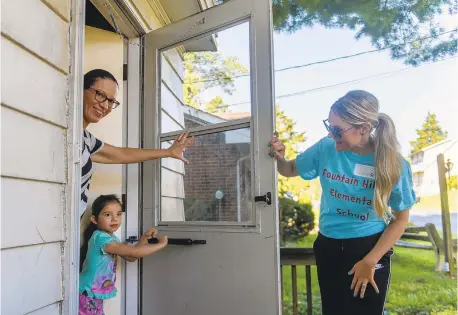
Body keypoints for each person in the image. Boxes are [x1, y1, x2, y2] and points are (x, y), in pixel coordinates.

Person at [269, 90, 415, 315]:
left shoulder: (393, 164)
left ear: (363, 128)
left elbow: (400, 220)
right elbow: (289, 169)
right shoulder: (325, 148)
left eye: (337, 130)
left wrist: (370, 261)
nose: (330, 135)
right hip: (329, 245)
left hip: (368, 247)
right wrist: (278, 156)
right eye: (329, 126)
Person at [81, 69, 192, 218]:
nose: (105, 106)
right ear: (80, 89)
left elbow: (120, 154)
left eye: (111, 101)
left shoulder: (86, 139)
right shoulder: (64, 133)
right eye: (100, 95)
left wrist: (168, 152)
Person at [79, 194, 167, 315]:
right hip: (86, 292)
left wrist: (144, 239)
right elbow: (134, 252)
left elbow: (131, 257)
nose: (115, 219)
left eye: (119, 214)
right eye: (107, 215)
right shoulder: (101, 238)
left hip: (94, 293)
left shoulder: (112, 237)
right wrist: (161, 244)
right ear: (94, 219)